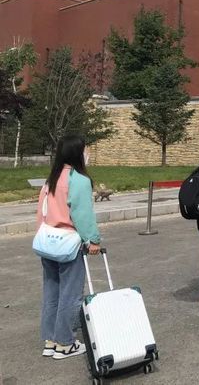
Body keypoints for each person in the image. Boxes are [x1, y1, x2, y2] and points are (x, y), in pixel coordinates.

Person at [37, 135, 101, 360]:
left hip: (48, 241)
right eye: (85, 150)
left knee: (52, 292)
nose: (87, 154)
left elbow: (41, 212)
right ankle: (65, 342)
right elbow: (82, 215)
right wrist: (93, 240)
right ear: (78, 153)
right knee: (71, 294)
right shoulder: (79, 180)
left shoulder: (51, 179)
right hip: (69, 243)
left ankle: (50, 339)